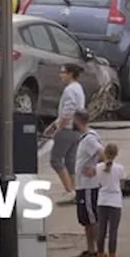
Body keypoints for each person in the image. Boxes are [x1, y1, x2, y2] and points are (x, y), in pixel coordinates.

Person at [44, 64, 86, 200]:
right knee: (70, 160)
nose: (60, 75)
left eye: (63, 72)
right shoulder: (78, 88)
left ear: (70, 74)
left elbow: (68, 111)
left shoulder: (69, 90)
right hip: (76, 129)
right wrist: (53, 124)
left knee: (55, 159)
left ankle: (69, 190)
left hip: (67, 129)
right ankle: (76, 189)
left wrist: (57, 128)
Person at [72, 110, 103, 257]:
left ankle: (98, 250)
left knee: (92, 219)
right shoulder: (84, 138)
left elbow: (102, 154)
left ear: (77, 121)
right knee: (85, 219)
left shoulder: (90, 139)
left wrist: (96, 168)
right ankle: (91, 249)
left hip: (89, 185)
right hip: (82, 186)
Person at [95, 143, 126, 257]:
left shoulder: (98, 167)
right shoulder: (119, 168)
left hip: (102, 200)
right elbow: (122, 183)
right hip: (115, 201)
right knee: (113, 232)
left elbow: (98, 182)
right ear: (116, 154)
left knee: (101, 231)